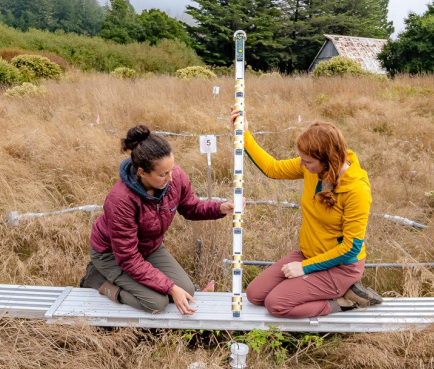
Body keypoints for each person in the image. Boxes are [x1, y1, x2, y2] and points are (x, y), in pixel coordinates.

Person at [233, 112, 383, 318]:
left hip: (340, 267)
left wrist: (305, 268)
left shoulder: (357, 190)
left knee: (275, 304)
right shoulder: (313, 169)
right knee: (254, 294)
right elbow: (272, 168)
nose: (301, 165)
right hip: (309, 254)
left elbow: (351, 248)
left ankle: (345, 301)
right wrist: (244, 133)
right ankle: (318, 288)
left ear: (328, 161)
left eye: (307, 161)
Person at [82, 125, 232, 315]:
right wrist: (170, 288)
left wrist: (220, 208)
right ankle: (96, 279)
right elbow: (128, 258)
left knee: (188, 290)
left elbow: (191, 207)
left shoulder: (174, 176)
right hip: (113, 255)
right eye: (163, 174)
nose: (171, 178)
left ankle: (154, 284)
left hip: (148, 248)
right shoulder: (120, 200)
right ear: (142, 172)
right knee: (155, 302)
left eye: (171, 169)